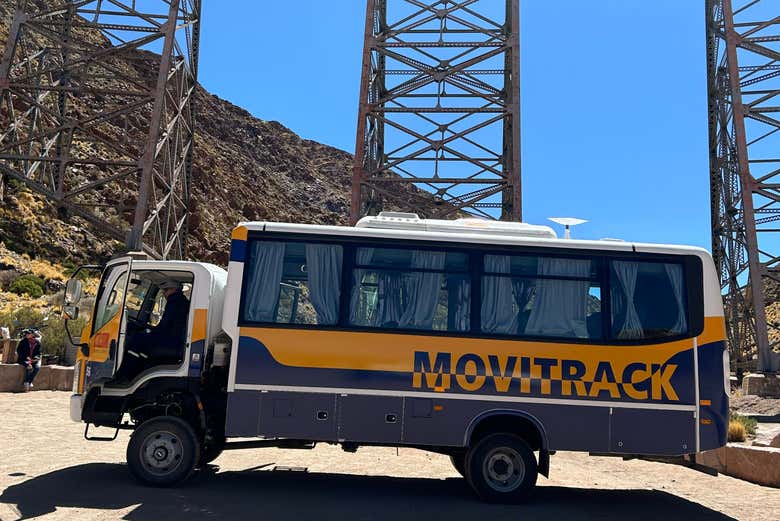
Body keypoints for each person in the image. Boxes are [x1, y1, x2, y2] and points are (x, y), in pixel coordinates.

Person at [120, 279, 190, 380]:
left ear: (174, 289)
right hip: (176, 341)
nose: (164, 294)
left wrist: (152, 330)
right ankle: (139, 371)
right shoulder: (182, 301)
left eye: (165, 290)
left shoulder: (174, 302)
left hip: (172, 342)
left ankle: (126, 375)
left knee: (136, 341)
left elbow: (164, 325)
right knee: (143, 343)